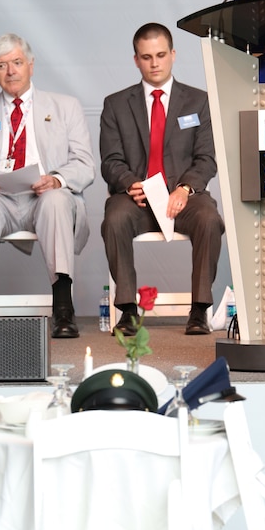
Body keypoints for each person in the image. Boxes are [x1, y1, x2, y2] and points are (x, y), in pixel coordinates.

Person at [0, 32, 95, 338]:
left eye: (17, 62)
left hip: (44, 197)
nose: (11, 71)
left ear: (30, 64)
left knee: (56, 199)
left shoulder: (65, 106)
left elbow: (84, 164)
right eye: (2, 65)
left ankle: (64, 308)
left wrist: (56, 178)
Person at [100, 22, 225, 336]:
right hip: (135, 198)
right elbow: (110, 161)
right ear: (136, 60)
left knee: (210, 219)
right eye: (146, 57)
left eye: (159, 55)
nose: (154, 63)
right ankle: (127, 310)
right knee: (114, 218)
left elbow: (207, 158)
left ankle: (199, 310)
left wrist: (185, 187)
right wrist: (130, 183)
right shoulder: (115, 104)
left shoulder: (199, 101)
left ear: (173, 54)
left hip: (184, 197)